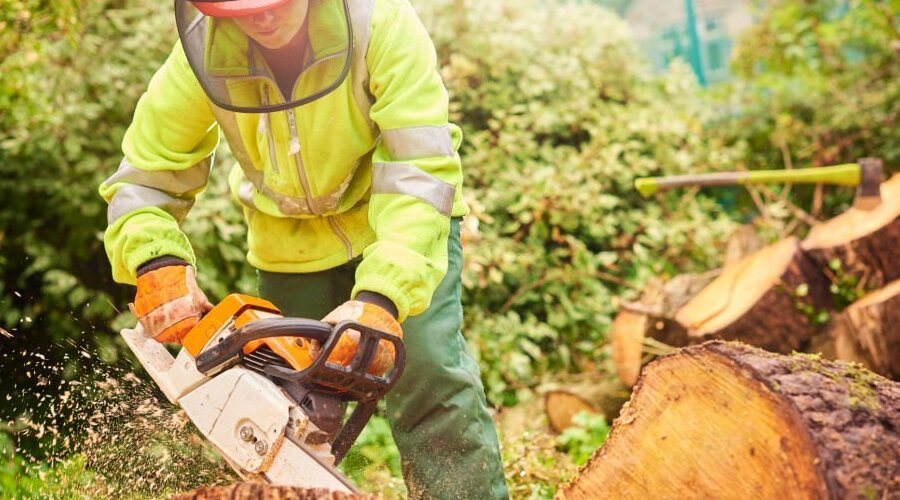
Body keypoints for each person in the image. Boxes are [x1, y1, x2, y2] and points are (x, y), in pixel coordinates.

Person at [98, 0, 509, 498]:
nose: (263, 17)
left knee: (429, 378)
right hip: (289, 246)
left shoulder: (380, 24)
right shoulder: (202, 52)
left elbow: (420, 171)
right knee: (286, 409)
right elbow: (145, 176)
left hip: (399, 230)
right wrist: (155, 260)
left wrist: (383, 299)